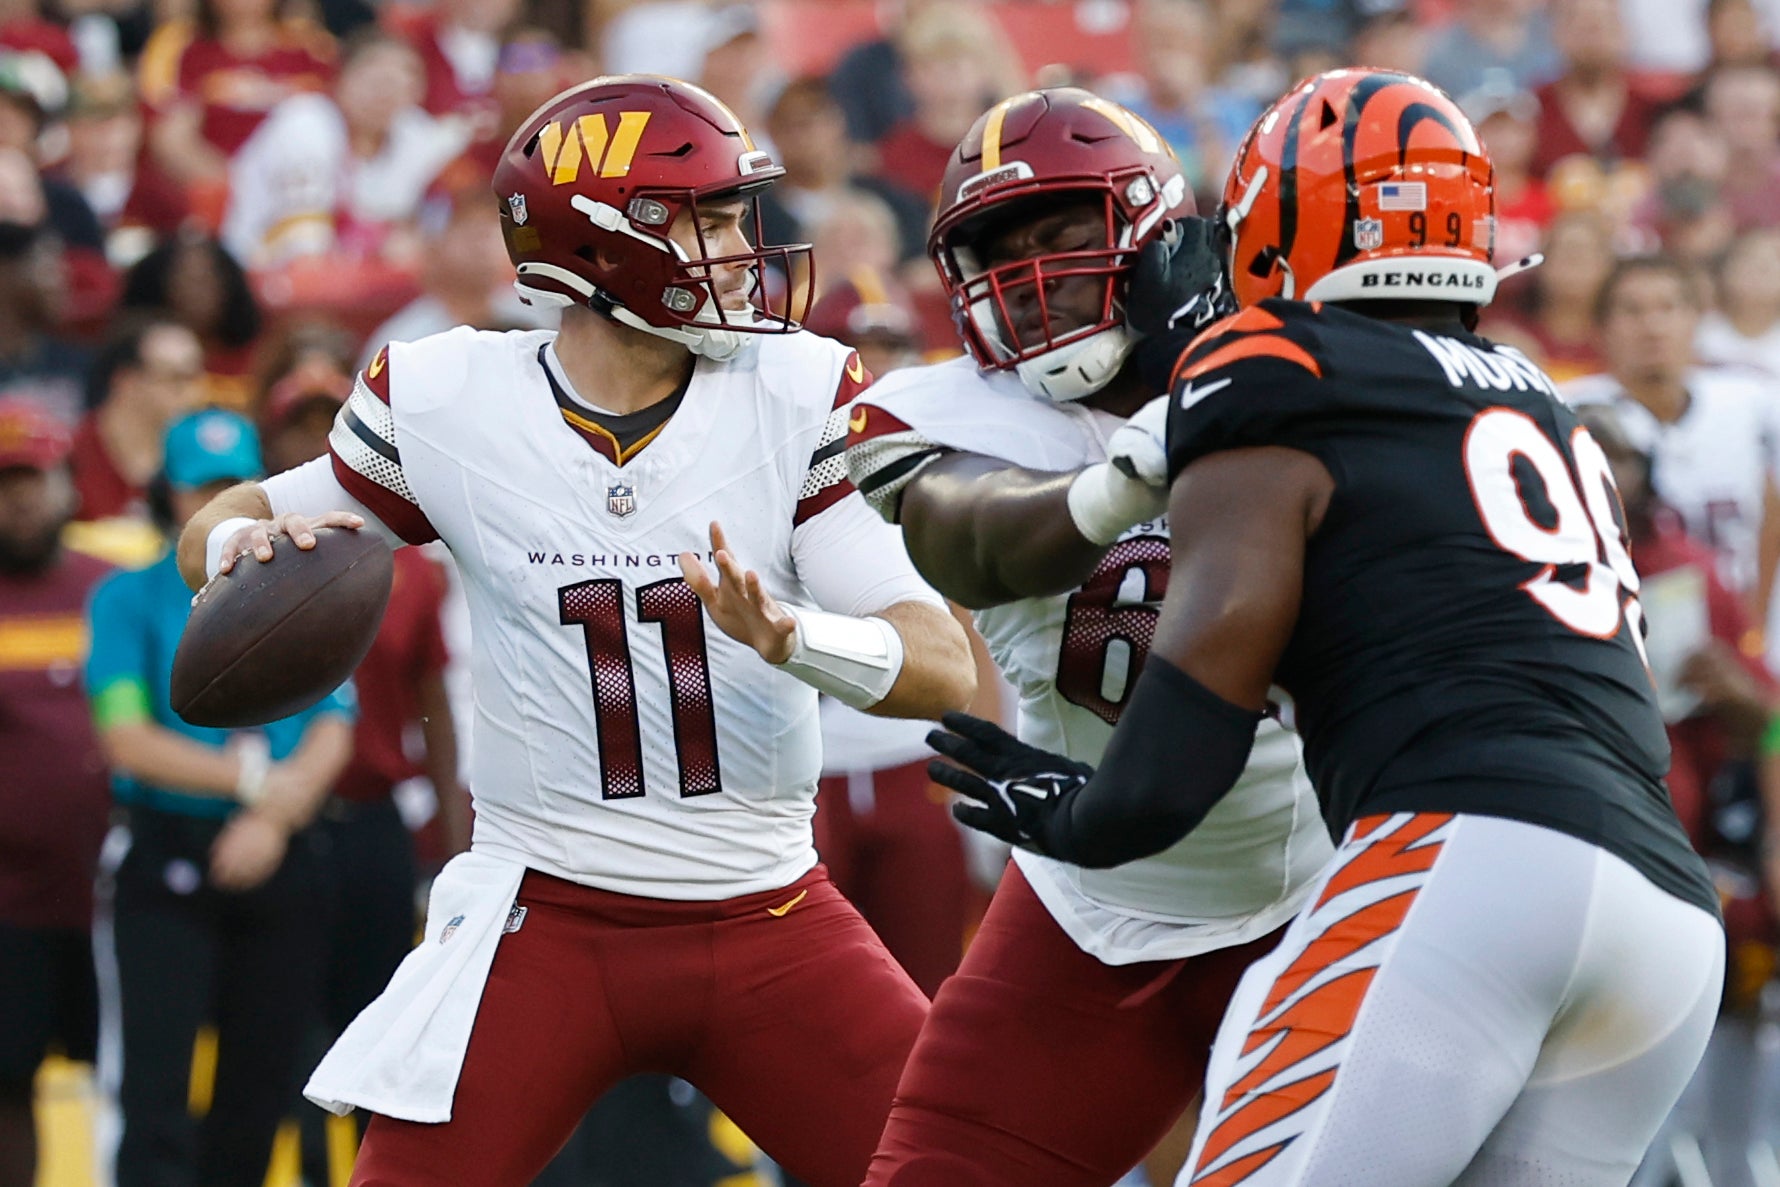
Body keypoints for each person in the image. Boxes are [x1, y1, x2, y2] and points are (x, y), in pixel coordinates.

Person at [175, 75, 976, 1187]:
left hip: (770, 912)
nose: (740, 245)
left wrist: (791, 636)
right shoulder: (451, 397)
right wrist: (236, 555)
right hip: (542, 913)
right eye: (699, 216)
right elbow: (228, 520)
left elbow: (938, 665)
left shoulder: (796, 390)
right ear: (597, 246)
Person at [929, 68, 1725, 1187]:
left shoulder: (1272, 367)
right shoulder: (1536, 393)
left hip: (1470, 862)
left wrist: (1093, 810)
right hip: (1662, 917)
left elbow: (1214, 660)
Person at [844, 86, 1331, 1187]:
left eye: (1061, 236)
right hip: (1088, 904)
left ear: (1159, 237)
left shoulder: (1295, 369)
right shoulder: (940, 411)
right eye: (995, 250)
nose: (1028, 277)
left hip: (1331, 888)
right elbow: (973, 540)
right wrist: (1136, 468)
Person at [87, 407, 354, 1187]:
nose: (210, 498)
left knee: (261, 1084)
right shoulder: (126, 598)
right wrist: (249, 784)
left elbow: (335, 723)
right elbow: (125, 734)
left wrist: (272, 816)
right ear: (171, 497)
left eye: (229, 484)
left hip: (279, 843)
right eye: (198, 487)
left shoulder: (294, 587)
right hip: (171, 842)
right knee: (155, 1084)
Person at [0, 399, 111, 1187]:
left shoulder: (115, 590)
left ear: (67, 483)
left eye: (34, 477)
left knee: (138, 1083)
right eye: (6, 482)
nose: (22, 497)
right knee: (8, 1088)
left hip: (117, 894)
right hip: (9, 904)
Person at [1566, 255, 1780, 635]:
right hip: (1622, 630)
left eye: (1669, 308)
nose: (1653, 326)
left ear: (1697, 319)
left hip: (1741, 626)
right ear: (1601, 326)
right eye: (1632, 311)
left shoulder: (1752, 402)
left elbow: (1772, 514)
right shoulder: (1568, 410)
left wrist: (1753, 629)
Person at [68, 316, 204, 521]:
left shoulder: (203, 456)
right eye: (177, 379)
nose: (195, 393)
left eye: (197, 378)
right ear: (127, 382)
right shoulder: (71, 454)